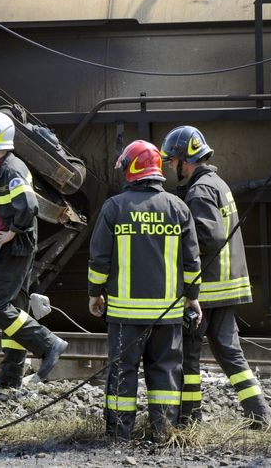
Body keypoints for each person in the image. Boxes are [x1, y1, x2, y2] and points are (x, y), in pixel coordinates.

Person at [87, 140, 202, 440]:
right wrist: (193, 298)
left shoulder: (114, 208)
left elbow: (99, 259)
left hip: (125, 315)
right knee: (165, 371)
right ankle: (163, 432)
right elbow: (191, 261)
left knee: (122, 372)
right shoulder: (178, 208)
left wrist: (95, 293)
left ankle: (118, 435)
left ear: (131, 169)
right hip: (167, 315)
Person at [160, 126, 271, 428]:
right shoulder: (217, 183)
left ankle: (189, 418)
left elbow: (207, 236)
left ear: (186, 159)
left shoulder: (200, 190)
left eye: (173, 160)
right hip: (227, 282)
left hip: (209, 286)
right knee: (228, 350)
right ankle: (259, 412)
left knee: (189, 351)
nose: (171, 166)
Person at [0, 110, 68, 388]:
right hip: (18, 246)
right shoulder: (2, 169)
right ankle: (11, 375)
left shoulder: (11, 170)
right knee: (15, 307)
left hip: (16, 247)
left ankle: (49, 343)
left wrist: (12, 232)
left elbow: (29, 206)